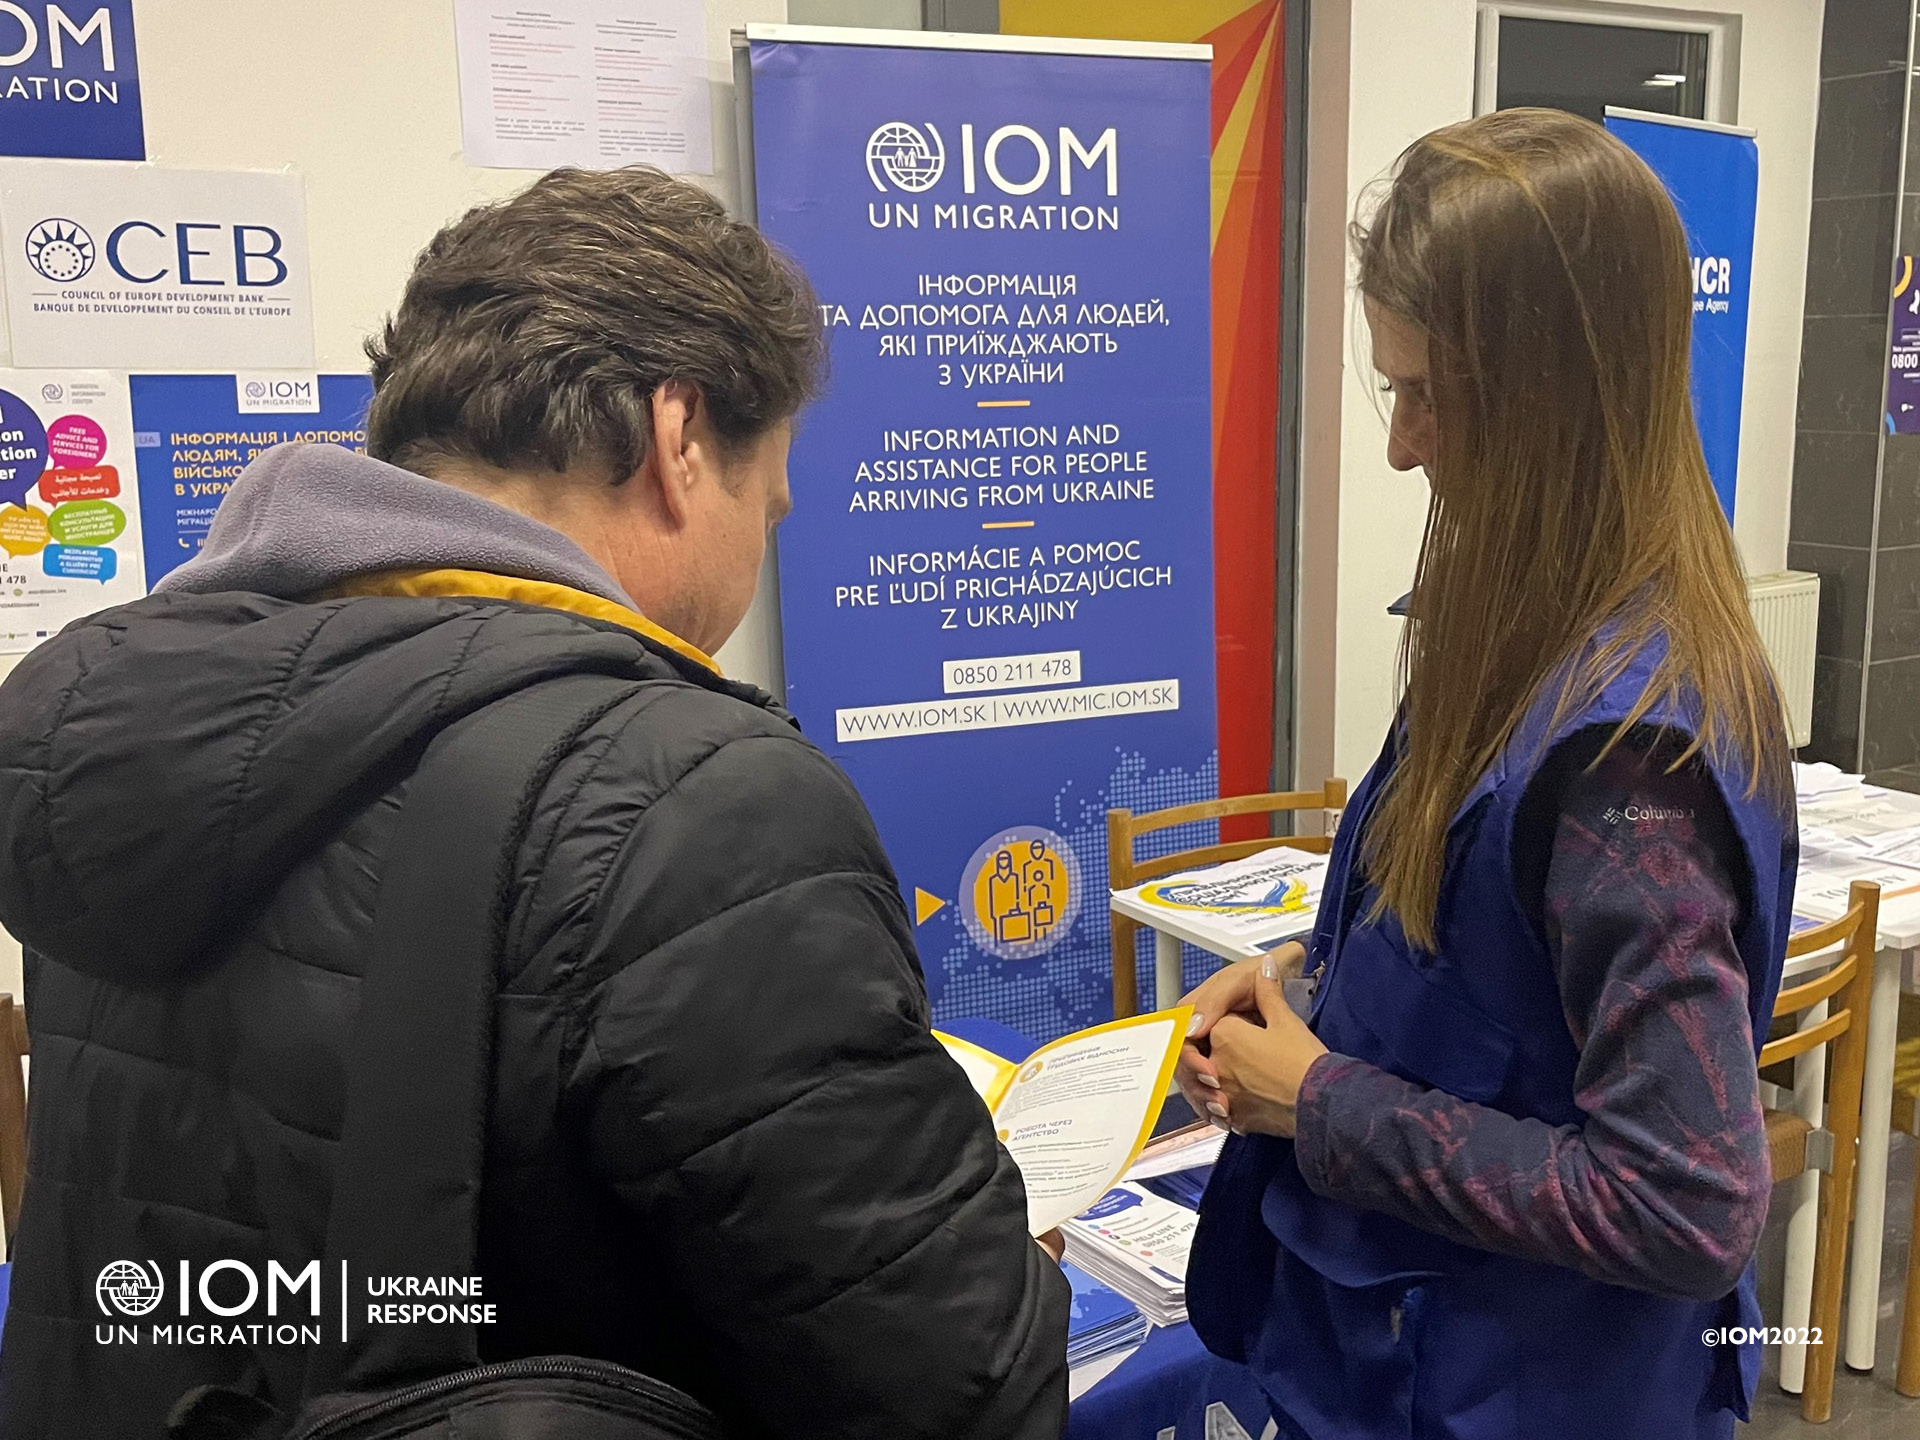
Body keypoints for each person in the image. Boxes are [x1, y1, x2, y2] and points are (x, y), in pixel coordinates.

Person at [0, 167, 1068, 1439]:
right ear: (679, 442)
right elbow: (955, 1386)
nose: (760, 545)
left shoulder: (121, 719)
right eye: (768, 499)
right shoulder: (684, 794)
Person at [1177, 110, 1794, 1440]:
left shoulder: (1629, 756)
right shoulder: (1518, 637)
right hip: (1388, 1356)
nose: (1402, 446)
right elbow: (1490, 970)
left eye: (1422, 393)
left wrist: (1322, 1098)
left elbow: (1685, 1202)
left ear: (1546, 401)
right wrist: (1312, 991)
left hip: (1505, 1393)